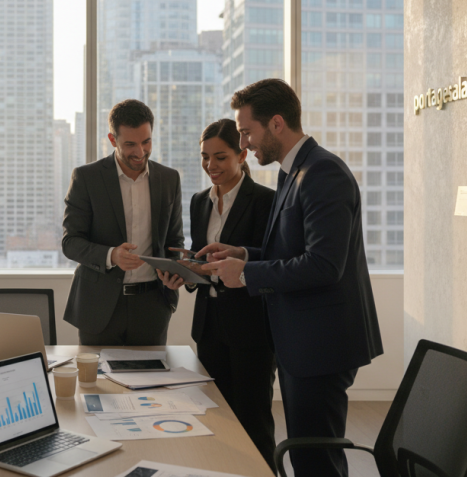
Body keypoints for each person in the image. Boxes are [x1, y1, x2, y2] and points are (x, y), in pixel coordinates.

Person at [197, 79, 383, 477]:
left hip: (321, 344)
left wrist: (246, 274)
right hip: (302, 340)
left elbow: (322, 265)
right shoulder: (292, 172)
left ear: (276, 123)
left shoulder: (322, 173)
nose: (244, 144)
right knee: (306, 453)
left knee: (316, 459)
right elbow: (291, 254)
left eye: (247, 132)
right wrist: (242, 254)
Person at [156, 118, 278, 471]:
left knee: (253, 420)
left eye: (220, 157)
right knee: (215, 417)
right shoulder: (198, 202)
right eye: (205, 157)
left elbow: (268, 260)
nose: (211, 166)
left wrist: (231, 261)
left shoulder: (265, 201)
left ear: (243, 155)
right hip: (209, 328)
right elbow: (202, 259)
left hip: (252, 330)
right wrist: (184, 275)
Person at [62, 99, 184, 346]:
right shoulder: (87, 178)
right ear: (112, 139)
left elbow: (175, 241)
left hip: (152, 307)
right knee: (98, 384)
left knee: (151, 383)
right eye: (130, 144)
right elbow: (70, 242)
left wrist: (175, 272)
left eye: (146, 142)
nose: (140, 152)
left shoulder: (169, 179)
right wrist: (111, 255)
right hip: (98, 307)